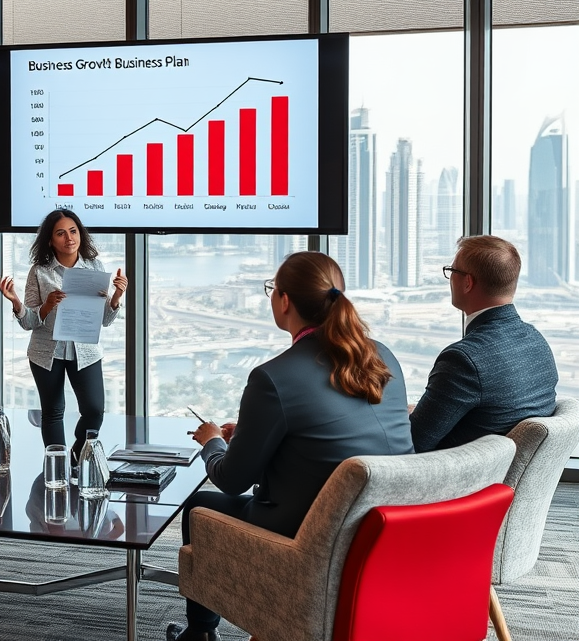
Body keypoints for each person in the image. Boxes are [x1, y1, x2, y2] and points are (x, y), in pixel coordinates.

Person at [165, 252, 413, 641]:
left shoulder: (273, 377)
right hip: (385, 527)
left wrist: (212, 442)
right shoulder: (384, 356)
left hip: (307, 537)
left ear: (283, 301)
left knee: (200, 506)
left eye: (272, 289)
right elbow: (325, 438)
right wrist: (249, 434)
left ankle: (200, 635)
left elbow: (231, 480)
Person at [0, 208, 127, 464]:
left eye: (73, 231)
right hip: (46, 353)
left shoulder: (94, 267)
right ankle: (56, 468)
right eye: (61, 233)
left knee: (94, 411)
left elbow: (105, 321)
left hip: (86, 352)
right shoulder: (39, 271)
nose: (69, 238)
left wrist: (117, 297)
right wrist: (31, 303)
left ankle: (78, 457)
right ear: (50, 240)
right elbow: (29, 322)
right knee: (53, 412)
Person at [410, 235, 558, 452]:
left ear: (468, 282)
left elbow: (413, 443)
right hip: (499, 476)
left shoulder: (464, 359)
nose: (450, 278)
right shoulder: (536, 341)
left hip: (451, 479)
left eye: (452, 271)